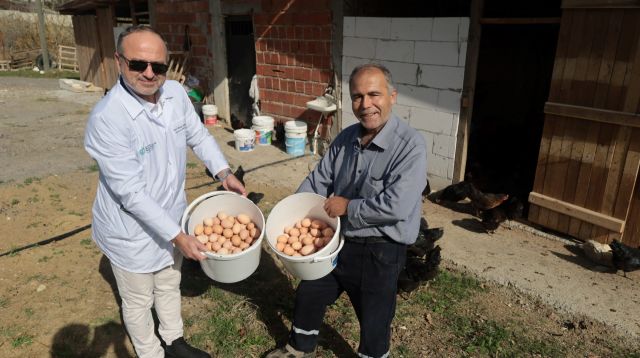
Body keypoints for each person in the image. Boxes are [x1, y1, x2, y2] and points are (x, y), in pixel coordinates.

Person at [84, 25, 246, 358]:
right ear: (119, 61)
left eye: (158, 66)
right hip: (130, 229)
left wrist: (223, 171)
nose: (149, 73)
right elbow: (130, 193)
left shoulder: (173, 93)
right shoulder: (109, 119)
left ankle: (174, 342)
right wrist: (178, 236)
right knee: (139, 299)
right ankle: (151, 353)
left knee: (170, 281)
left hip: (171, 211)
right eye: (138, 64)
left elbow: (198, 135)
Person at [267, 63, 427, 357]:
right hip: (337, 240)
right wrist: (293, 212)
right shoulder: (345, 138)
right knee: (310, 292)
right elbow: (318, 180)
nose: (365, 105)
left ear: (392, 96)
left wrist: (348, 207)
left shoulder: (410, 146)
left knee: (375, 317)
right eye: (357, 96)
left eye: (374, 94)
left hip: (381, 248)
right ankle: (299, 347)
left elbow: (397, 206)